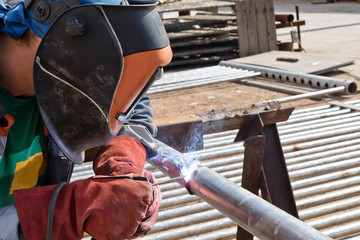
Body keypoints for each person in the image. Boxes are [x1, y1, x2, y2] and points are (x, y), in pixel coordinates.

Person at [0, 0, 171, 239]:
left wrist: (123, 154)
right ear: (66, 39)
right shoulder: (61, 73)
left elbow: (129, 100)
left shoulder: (55, 76)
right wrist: (67, 212)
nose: (103, 81)